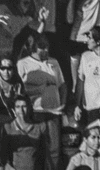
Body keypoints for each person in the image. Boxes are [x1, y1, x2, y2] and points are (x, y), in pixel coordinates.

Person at [17, 34, 65, 170]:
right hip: (35, 113)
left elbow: (62, 85)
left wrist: (63, 103)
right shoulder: (23, 63)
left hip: (54, 112)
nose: (45, 51)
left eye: (47, 47)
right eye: (41, 48)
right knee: (35, 148)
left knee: (54, 150)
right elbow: (20, 90)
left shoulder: (54, 62)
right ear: (33, 48)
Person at [0, 95, 49, 170]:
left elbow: (45, 154)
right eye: (18, 107)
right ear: (14, 109)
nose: (21, 110)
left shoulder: (40, 127)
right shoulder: (8, 127)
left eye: (24, 106)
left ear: (29, 107)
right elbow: (3, 154)